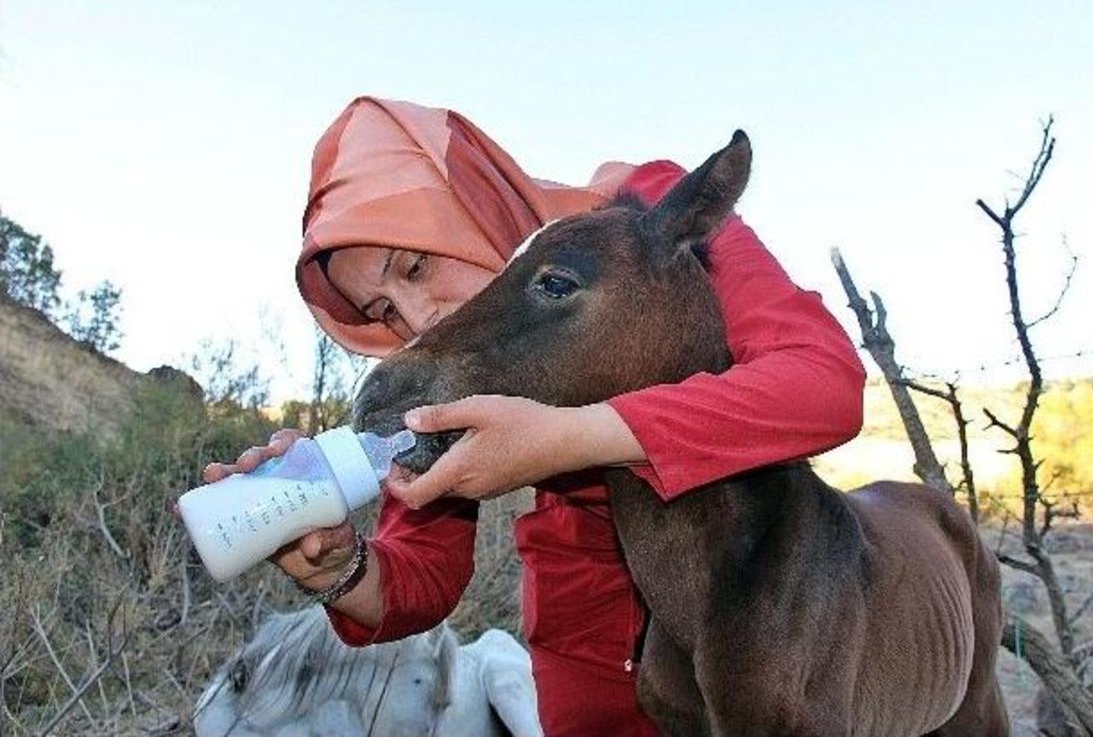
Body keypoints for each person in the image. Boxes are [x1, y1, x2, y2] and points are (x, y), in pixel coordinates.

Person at [203, 97, 866, 736]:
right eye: (383, 311)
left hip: (758, 606)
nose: (416, 317)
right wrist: (340, 567)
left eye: (415, 264)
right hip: (585, 641)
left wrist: (569, 439)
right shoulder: (458, 362)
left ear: (464, 201)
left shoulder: (643, 217)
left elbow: (821, 381)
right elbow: (422, 567)